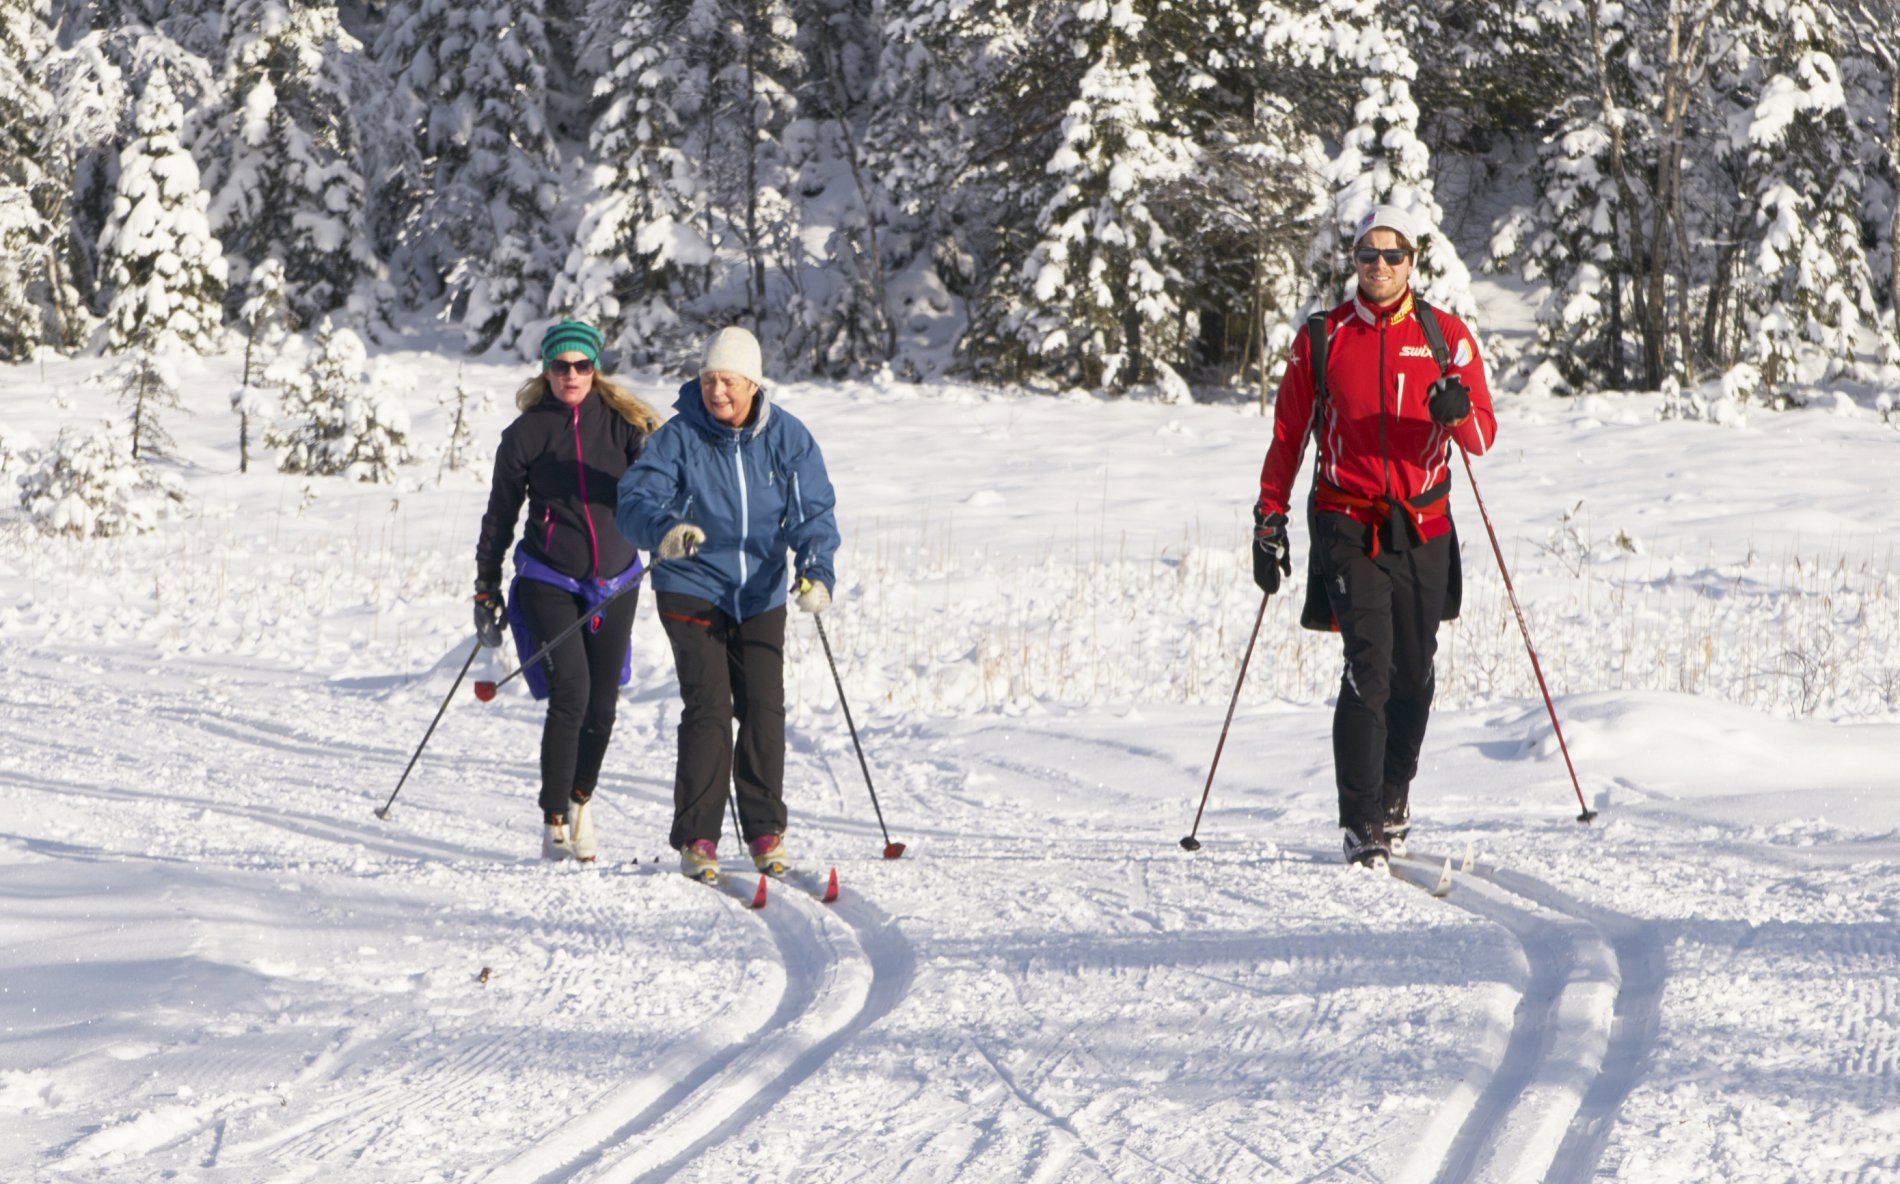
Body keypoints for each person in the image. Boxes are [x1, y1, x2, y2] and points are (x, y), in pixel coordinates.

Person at [1252, 206, 1498, 868]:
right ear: (1352, 261)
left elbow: (1481, 438)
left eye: (1393, 256)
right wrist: (1268, 517)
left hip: (1424, 521)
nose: (1380, 267)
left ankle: (1394, 794)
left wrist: (1457, 411)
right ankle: (1362, 822)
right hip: (1346, 517)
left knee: (1414, 671)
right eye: (1367, 256)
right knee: (1368, 665)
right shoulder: (1324, 337)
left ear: (1413, 261)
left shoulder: (1444, 336)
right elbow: (1287, 436)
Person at [614, 326, 840, 881]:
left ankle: (765, 830)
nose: (717, 392)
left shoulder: (788, 437)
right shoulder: (679, 438)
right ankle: (698, 838)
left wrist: (816, 570)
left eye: (728, 381)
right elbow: (634, 501)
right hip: (691, 583)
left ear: (754, 384)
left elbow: (813, 512)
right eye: (709, 380)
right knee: (710, 709)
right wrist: (664, 530)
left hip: (760, 591)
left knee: (764, 708)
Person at [474, 320, 661, 863]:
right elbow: (500, 515)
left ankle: (582, 801)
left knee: (603, 702)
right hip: (548, 576)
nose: (572, 375)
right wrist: (486, 587)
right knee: (573, 690)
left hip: (617, 580)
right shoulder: (526, 434)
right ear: (546, 370)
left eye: (582, 365)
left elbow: (660, 487)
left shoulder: (628, 425)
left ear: (595, 368)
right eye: (561, 366)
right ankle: (554, 816)